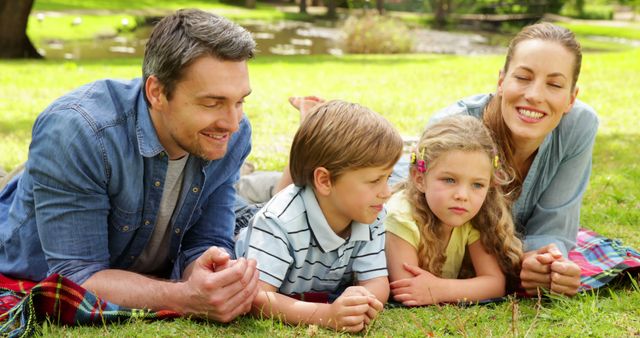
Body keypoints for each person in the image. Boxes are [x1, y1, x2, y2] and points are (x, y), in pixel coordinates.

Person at [275, 22, 598, 297]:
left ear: (571, 97)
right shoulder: (455, 125)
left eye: (554, 84)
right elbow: (393, 200)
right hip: (391, 181)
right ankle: (311, 130)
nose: (535, 95)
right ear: (501, 81)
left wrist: (547, 261)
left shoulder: (579, 126)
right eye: (523, 77)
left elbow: (555, 223)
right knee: (305, 201)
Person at [0, 9, 260, 322]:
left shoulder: (233, 134)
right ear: (157, 92)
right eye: (211, 103)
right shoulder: (78, 132)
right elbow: (77, 277)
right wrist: (186, 297)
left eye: (240, 101)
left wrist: (214, 274)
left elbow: (206, 242)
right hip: (25, 254)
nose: (232, 123)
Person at [235, 100, 403, 332]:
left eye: (388, 178)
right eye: (375, 181)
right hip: (241, 226)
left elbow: (376, 281)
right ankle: (242, 174)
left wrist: (364, 302)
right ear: (325, 180)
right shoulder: (278, 223)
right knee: (236, 195)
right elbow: (257, 297)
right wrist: (326, 314)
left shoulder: (371, 214)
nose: (386, 192)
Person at [385, 115, 522, 306]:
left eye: (477, 184)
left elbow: (495, 284)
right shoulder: (400, 216)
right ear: (419, 179)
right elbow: (408, 290)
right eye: (449, 180)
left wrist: (440, 289)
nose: (463, 195)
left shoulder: (473, 216)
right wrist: (462, 289)